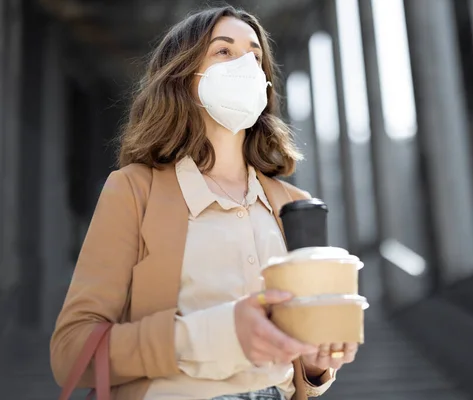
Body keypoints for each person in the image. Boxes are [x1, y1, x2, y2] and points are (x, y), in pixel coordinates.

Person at [50, 5, 359, 400]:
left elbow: (301, 370)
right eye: (224, 51)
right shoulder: (133, 190)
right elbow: (71, 351)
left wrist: (317, 363)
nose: (246, 65)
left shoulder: (293, 204)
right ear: (185, 76)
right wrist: (219, 333)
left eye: (255, 55)